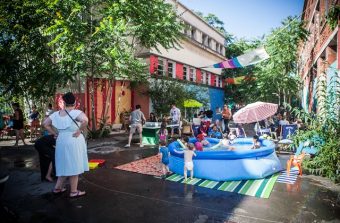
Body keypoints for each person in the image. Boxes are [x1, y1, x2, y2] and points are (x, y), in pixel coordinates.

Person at [43, 92, 89, 198]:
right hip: (73, 139)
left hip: (61, 140)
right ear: (74, 102)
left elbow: (45, 124)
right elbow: (85, 120)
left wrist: (54, 133)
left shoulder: (56, 114)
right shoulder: (76, 112)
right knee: (74, 164)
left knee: (63, 163)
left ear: (64, 102)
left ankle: (58, 188)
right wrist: (79, 130)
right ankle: (73, 191)